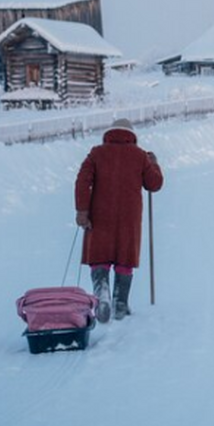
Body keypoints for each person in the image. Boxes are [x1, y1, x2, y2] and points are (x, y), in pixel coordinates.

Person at [75, 118, 164, 323]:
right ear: (131, 136)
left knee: (100, 256)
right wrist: (153, 164)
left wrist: (82, 210)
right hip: (129, 217)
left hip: (99, 214)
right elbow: (154, 184)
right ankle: (120, 304)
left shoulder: (97, 153)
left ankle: (102, 292)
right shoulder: (140, 156)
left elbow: (82, 181)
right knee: (125, 258)